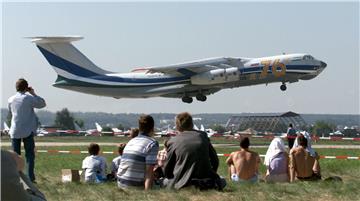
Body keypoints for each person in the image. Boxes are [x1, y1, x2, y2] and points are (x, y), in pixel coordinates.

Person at [164, 112, 225, 190]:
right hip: (206, 182)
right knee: (222, 181)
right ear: (191, 123)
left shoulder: (172, 141)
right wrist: (212, 173)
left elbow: (167, 168)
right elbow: (215, 160)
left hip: (181, 183)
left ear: (177, 126)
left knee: (164, 181)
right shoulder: (203, 136)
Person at [8, 78, 46, 182]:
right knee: (29, 155)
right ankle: (30, 178)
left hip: (15, 130)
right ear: (26, 87)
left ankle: (16, 178)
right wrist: (33, 93)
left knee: (15, 157)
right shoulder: (28, 98)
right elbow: (42, 104)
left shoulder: (11, 99)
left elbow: (11, 112)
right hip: (27, 130)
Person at [117, 115, 159, 190]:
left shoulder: (131, 141)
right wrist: (148, 195)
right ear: (152, 128)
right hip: (134, 185)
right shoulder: (152, 143)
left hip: (120, 182)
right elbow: (149, 172)